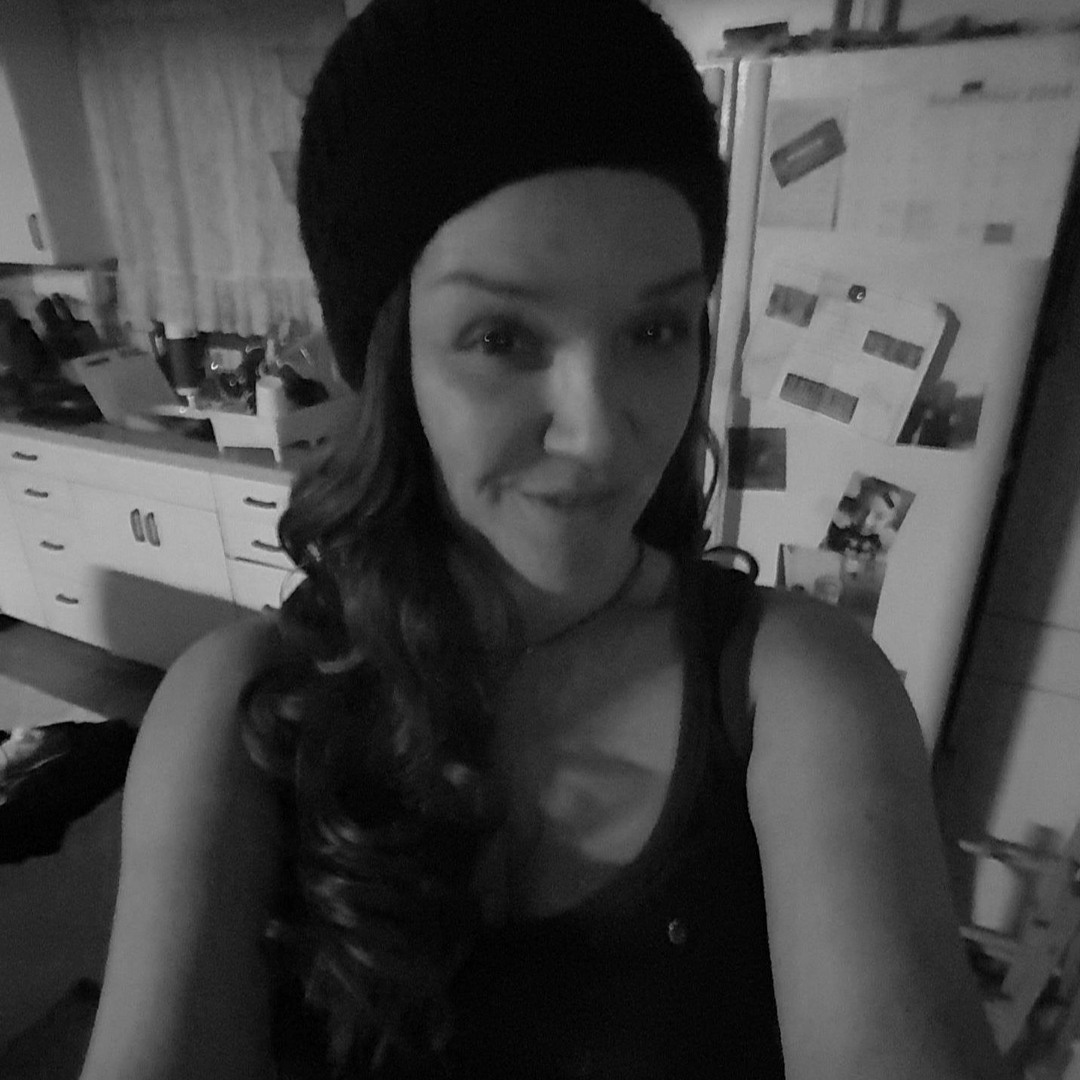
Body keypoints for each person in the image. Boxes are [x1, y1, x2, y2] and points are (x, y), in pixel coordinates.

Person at [79, 1, 1011, 1078]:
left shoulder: (798, 693)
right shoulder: (237, 719)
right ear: (387, 360)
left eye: (655, 329)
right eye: (501, 336)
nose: (600, 431)